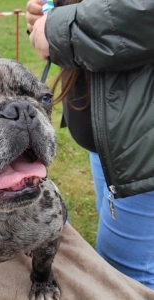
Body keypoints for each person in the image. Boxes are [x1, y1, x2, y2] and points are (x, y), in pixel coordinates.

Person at [26, 0, 154, 289]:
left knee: (125, 272)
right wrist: (48, 14)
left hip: (141, 153)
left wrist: (60, 26)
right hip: (116, 148)